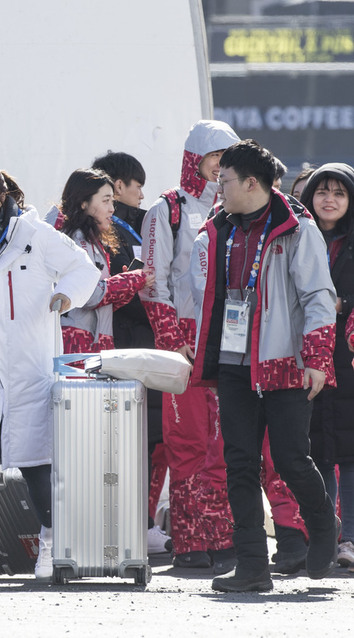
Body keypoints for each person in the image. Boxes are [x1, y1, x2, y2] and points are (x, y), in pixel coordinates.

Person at [0, 163, 100, 583]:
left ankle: (49, 549)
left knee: (36, 463)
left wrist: (67, 295)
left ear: (1, 196)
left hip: (30, 371)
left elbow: (85, 268)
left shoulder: (35, 236)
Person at [191, 139, 338, 592]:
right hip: (235, 361)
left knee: (292, 459)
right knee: (239, 462)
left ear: (251, 183)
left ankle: (323, 526)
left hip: (285, 362)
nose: (219, 186)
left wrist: (316, 359)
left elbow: (319, 298)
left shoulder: (297, 228)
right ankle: (253, 564)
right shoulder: (221, 228)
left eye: (225, 179)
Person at [140, 119, 239, 573]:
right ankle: (190, 539)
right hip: (185, 342)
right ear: (193, 160)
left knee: (226, 445)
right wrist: (173, 342)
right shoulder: (168, 209)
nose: (221, 168)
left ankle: (224, 538)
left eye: (228, 159)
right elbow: (151, 283)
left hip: (231, 340)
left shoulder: (244, 208)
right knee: (186, 444)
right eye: (214, 158)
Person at [89, 151, 171, 555]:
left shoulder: (140, 225)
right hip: (126, 346)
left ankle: (145, 521)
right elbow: (126, 289)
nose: (142, 193)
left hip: (142, 345)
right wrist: (155, 297)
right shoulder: (108, 231)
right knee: (130, 441)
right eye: (137, 184)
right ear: (118, 186)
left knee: (152, 442)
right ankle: (132, 522)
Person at [300, 163, 354, 572]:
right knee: (317, 449)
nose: (329, 199)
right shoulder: (298, 237)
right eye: (322, 192)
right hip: (309, 357)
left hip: (348, 357)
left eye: (338, 192)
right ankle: (325, 534)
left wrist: (343, 306)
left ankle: (349, 537)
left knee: (350, 452)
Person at [55, 168, 150, 353]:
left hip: (98, 339)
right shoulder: (74, 240)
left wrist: (125, 287)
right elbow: (87, 295)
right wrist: (132, 280)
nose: (112, 209)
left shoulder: (93, 240)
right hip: (77, 339)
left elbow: (101, 303)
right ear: (84, 203)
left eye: (112, 201)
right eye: (106, 201)